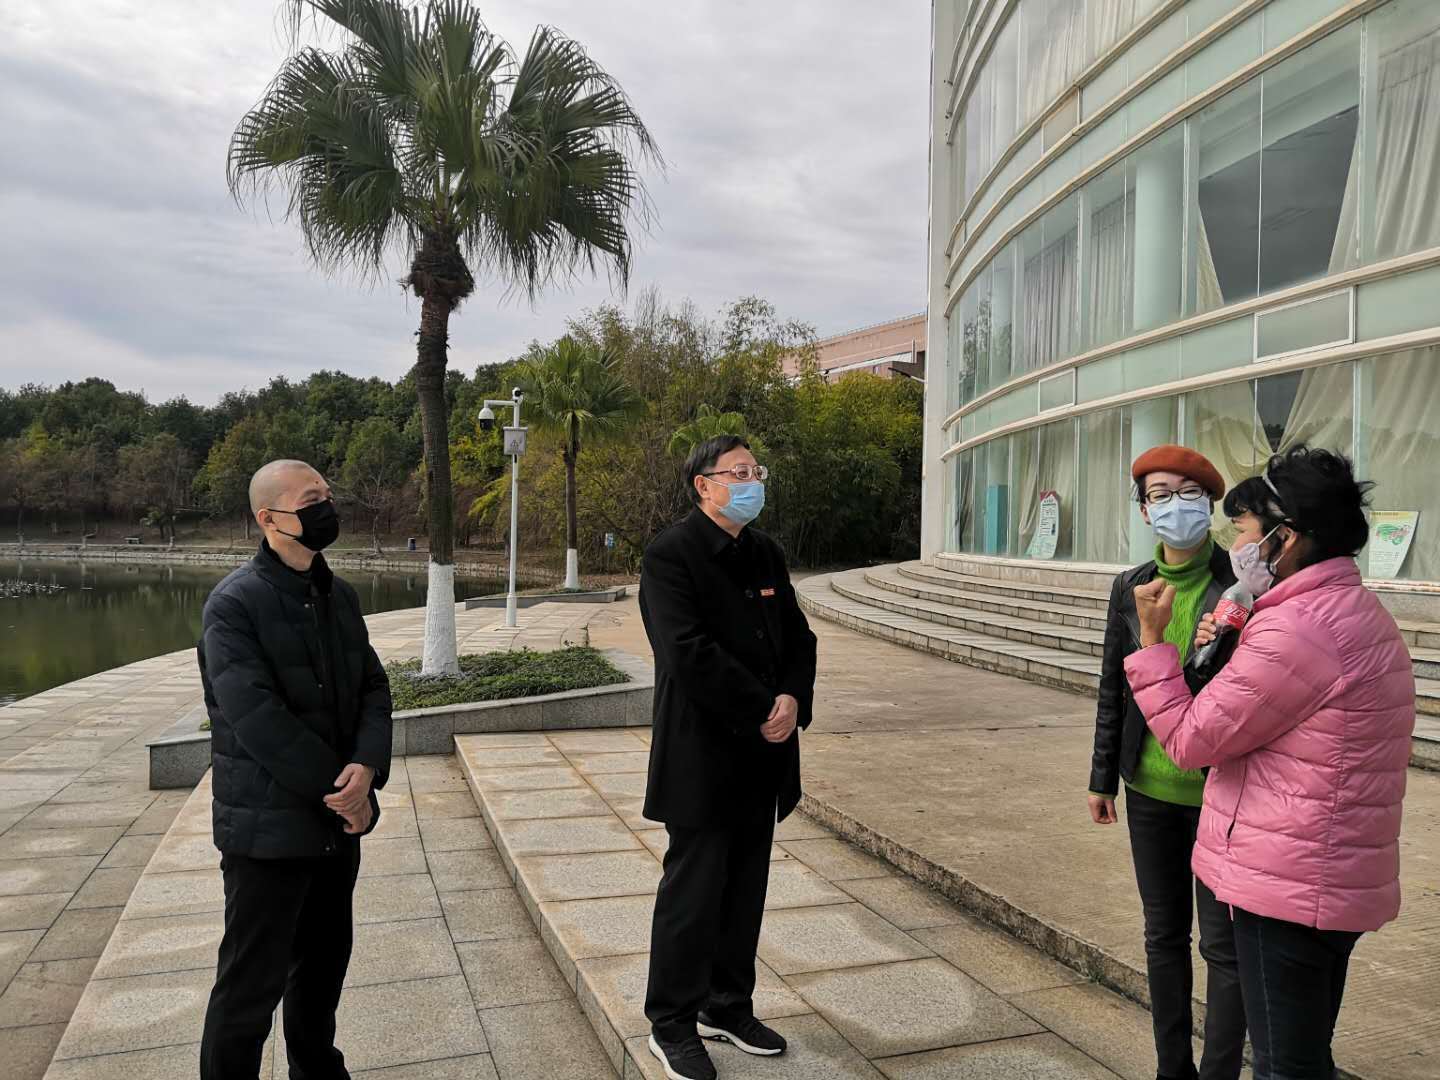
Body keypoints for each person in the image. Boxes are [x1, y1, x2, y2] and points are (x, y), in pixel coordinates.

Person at [1128, 445, 1414, 1080]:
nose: (1237, 545)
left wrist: (1152, 644)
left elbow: (1190, 740)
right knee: (1306, 1055)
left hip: (1288, 878)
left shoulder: (1297, 630)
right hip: (1326, 871)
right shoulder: (1356, 613)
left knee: (1284, 1066)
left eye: (1244, 530)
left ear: (1285, 539)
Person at [198, 460, 393, 1080]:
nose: (326, 509)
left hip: (335, 829)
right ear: (269, 518)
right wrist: (343, 792)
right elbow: (257, 720)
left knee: (322, 971)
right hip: (268, 832)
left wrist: (367, 765)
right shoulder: (234, 605)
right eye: (312, 500)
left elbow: (373, 687)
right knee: (248, 989)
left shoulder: (340, 596)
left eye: (327, 496)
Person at [639, 435, 818, 1080]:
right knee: (693, 894)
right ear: (704, 485)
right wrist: (761, 706)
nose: (751, 482)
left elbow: (798, 636)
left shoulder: (764, 552)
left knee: (745, 890)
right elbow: (686, 652)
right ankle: (671, 1022)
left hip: (763, 756)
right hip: (703, 754)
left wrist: (792, 697)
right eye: (738, 473)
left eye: (755, 471)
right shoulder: (671, 555)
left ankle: (727, 1005)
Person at [1087, 444, 1246, 1080]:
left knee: (1222, 947)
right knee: (1163, 936)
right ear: (1144, 510)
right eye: (1159, 495)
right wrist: (1102, 776)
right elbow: (1114, 687)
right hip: (1149, 789)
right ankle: (1171, 1069)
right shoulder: (1129, 587)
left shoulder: (1241, 587)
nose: (1174, 505)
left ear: (1209, 504)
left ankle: (1218, 1072)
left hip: (1220, 793)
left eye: (1188, 493)